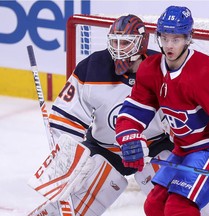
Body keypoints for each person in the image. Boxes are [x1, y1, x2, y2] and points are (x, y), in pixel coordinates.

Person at [28, 14, 173, 216]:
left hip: (153, 146)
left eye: (125, 43)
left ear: (141, 44)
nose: (119, 49)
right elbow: (66, 119)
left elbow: (181, 120)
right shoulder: (93, 67)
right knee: (71, 207)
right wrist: (66, 157)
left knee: (178, 201)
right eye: (115, 42)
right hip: (105, 149)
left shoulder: (164, 69)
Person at [115, 6, 209, 216]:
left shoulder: (203, 72)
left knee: (178, 209)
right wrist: (128, 135)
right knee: (154, 206)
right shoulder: (150, 68)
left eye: (176, 39)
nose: (169, 46)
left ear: (189, 38)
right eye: (165, 38)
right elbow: (134, 110)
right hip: (184, 148)